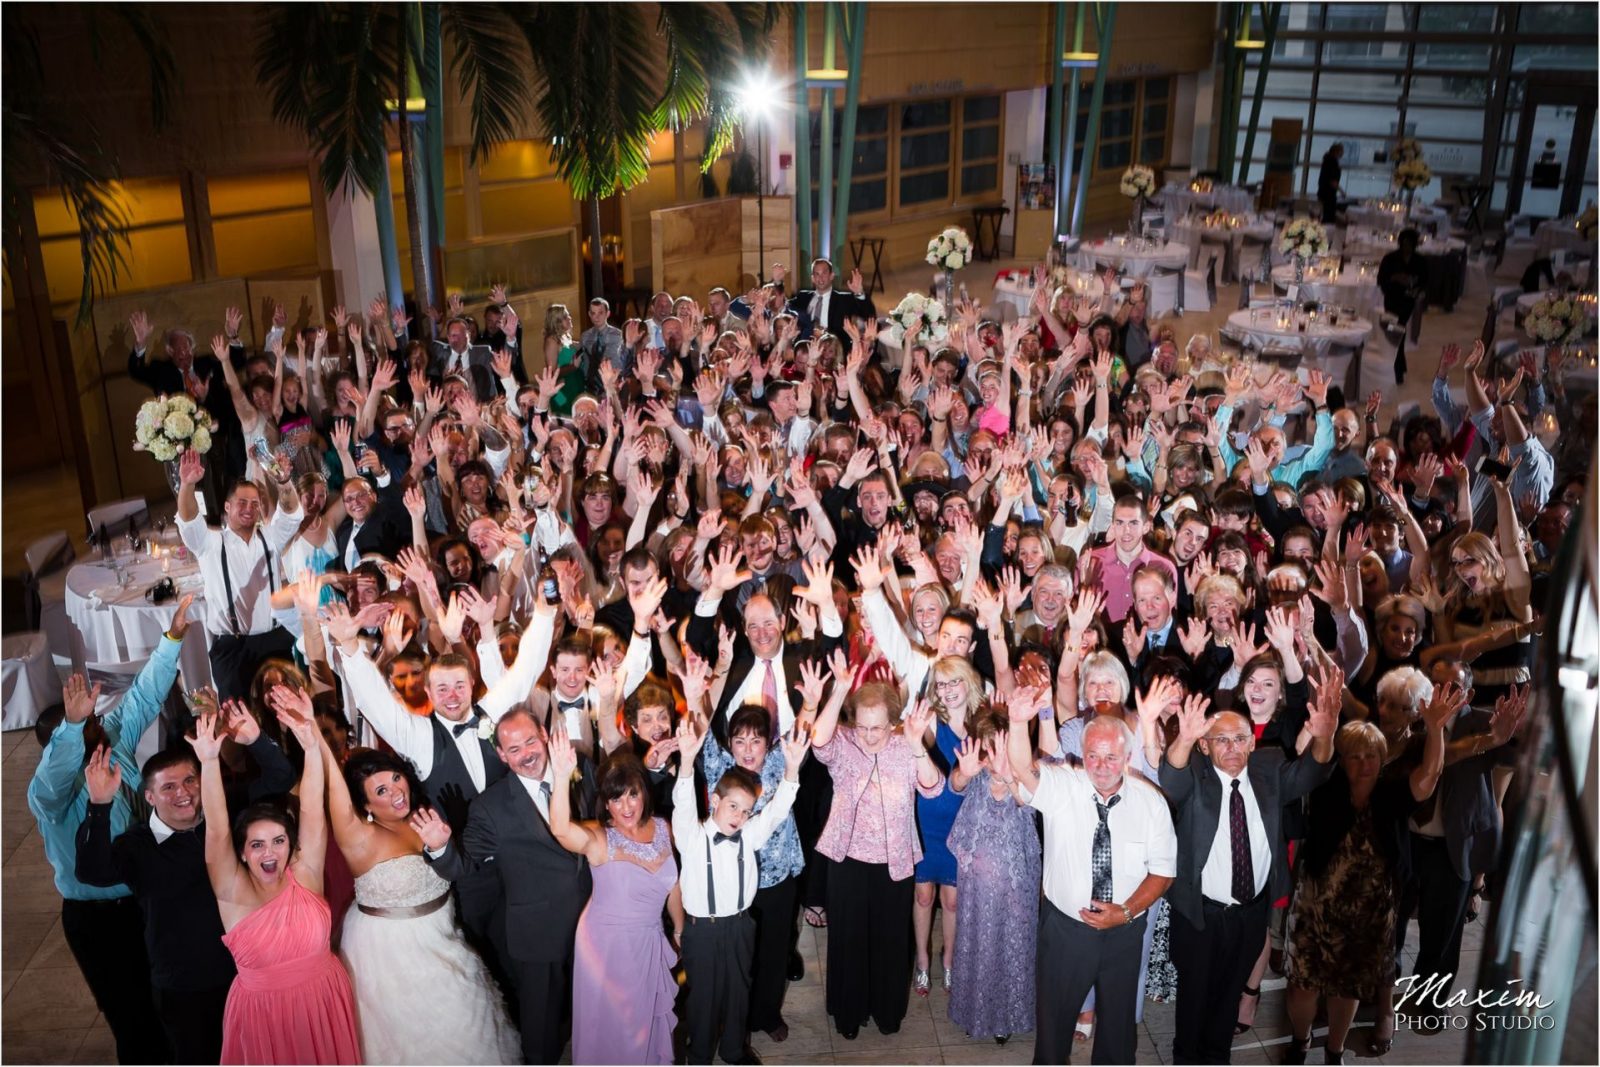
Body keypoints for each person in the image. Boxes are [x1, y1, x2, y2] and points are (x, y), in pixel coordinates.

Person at [301, 692, 519, 1066]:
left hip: (443, 936)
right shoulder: (360, 837)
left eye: (396, 779)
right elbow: (335, 790)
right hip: (388, 955)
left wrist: (443, 846)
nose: (396, 792)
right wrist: (313, 736)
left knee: (467, 1022)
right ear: (366, 805)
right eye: (381, 790)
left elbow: (458, 867)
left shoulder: (424, 820)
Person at [75, 702, 297, 1064]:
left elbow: (280, 778)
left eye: (190, 780)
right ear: (149, 797)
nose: (184, 793)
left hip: (247, 978)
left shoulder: (225, 820)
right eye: (169, 787)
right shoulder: (137, 846)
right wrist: (99, 804)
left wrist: (255, 739)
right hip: (184, 988)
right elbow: (93, 872)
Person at [26, 598, 195, 1065]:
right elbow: (56, 772)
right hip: (97, 920)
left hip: (143, 900)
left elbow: (142, 697)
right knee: (133, 1021)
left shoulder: (110, 740)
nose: (99, 726)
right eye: (86, 726)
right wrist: (73, 724)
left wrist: (173, 638)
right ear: (60, 743)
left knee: (168, 1004)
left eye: (96, 720)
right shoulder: (49, 793)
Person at [1158, 666, 1340, 1065]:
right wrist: (1184, 741)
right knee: (1194, 1006)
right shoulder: (1194, 772)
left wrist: (1325, 733)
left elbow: (1315, 770)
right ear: (1205, 747)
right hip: (1200, 915)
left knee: (1227, 1002)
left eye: (1239, 739)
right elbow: (1169, 784)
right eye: (1220, 740)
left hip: (1249, 913)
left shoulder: (1269, 768)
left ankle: (1217, 1057)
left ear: (1251, 744)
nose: (1231, 748)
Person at [1283, 684, 1456, 1065]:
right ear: (1342, 760)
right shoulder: (1325, 788)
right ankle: (1299, 1041)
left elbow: (1429, 776)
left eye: (1371, 756)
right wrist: (1323, 729)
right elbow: (1311, 755)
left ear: (1382, 758)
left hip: (1370, 911)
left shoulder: (1391, 792)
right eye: (1354, 756)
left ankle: (1334, 1051)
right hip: (1316, 906)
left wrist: (1436, 729)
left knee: (1349, 986)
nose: (1363, 763)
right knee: (1302, 986)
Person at [1004, 697, 1177, 1065]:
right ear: (1081, 753)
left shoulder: (1151, 803)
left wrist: (1126, 912)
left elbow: (1163, 871)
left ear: (1127, 758)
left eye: (1111, 757)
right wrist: (1019, 722)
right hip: (1066, 930)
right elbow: (1021, 768)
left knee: (1118, 1031)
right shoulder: (1062, 785)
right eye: (1093, 756)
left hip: (1125, 931)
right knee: (1053, 1027)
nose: (1101, 766)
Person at [190, 696, 360, 1064]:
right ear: (243, 852)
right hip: (264, 1016)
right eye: (257, 844)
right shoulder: (232, 891)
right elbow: (218, 830)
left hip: (325, 1000)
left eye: (279, 841)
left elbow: (313, 807)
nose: (270, 852)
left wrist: (311, 746)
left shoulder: (306, 874)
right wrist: (207, 763)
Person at [444, 709, 598, 1065]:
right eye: (514, 749)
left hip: (594, 924)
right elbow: (462, 865)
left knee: (593, 1016)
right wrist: (439, 847)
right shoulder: (490, 807)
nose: (527, 753)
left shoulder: (580, 769)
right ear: (501, 755)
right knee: (541, 1035)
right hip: (537, 932)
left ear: (544, 734)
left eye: (530, 741)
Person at [810, 680, 945, 1040]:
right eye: (862, 726)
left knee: (889, 940)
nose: (869, 736)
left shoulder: (906, 747)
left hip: (894, 860)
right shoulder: (843, 743)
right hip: (847, 859)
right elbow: (818, 742)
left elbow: (934, 787)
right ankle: (848, 1014)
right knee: (849, 938)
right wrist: (838, 692)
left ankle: (887, 1012)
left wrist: (917, 745)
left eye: (878, 727)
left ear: (893, 723)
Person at [674, 716, 807, 1065]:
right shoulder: (691, 835)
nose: (738, 816)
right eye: (733, 806)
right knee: (702, 999)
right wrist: (686, 762)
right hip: (702, 930)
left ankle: (735, 1051)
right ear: (715, 800)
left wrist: (791, 771)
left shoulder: (749, 834)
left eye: (746, 811)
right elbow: (683, 801)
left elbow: (777, 812)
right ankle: (699, 1055)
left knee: (738, 993)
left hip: (739, 926)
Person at [546, 737, 681, 1066]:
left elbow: (673, 885)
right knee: (613, 1029)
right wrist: (562, 776)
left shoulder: (664, 828)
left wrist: (678, 930)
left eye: (632, 793)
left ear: (644, 791)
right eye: (616, 798)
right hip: (604, 950)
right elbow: (561, 830)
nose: (626, 806)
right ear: (605, 804)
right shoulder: (599, 838)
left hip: (648, 942)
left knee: (645, 1024)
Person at [175, 446, 304, 701]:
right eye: (241, 503)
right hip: (232, 649)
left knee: (283, 715)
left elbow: (291, 513)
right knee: (237, 724)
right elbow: (189, 519)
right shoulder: (210, 543)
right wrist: (187, 485)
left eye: (254, 504)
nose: (248, 508)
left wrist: (285, 482)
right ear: (226, 506)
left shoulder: (270, 537)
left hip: (274, 642)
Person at [945, 707, 1039, 1044]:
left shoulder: (1027, 772)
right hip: (975, 881)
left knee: (1011, 944)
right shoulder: (976, 773)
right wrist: (965, 774)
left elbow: (1031, 801)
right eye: (987, 746)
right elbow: (954, 786)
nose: (993, 755)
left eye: (1000, 745)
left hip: (1016, 881)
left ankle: (1006, 1018)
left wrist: (1010, 775)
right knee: (976, 943)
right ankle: (975, 1013)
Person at [786, 257, 876, 342]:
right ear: (812, 278)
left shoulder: (844, 300)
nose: (820, 278)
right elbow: (783, 306)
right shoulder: (803, 297)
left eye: (824, 273)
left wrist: (859, 293)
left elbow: (869, 315)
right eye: (817, 274)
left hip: (834, 349)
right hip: (806, 348)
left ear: (832, 276)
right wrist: (777, 281)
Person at [1317, 143, 1344, 224]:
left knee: (1324, 215)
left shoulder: (1327, 160)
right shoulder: (1333, 163)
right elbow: (1333, 181)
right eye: (1341, 151)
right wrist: (1342, 192)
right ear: (1337, 151)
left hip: (1323, 192)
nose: (1343, 153)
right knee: (1329, 217)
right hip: (1328, 194)